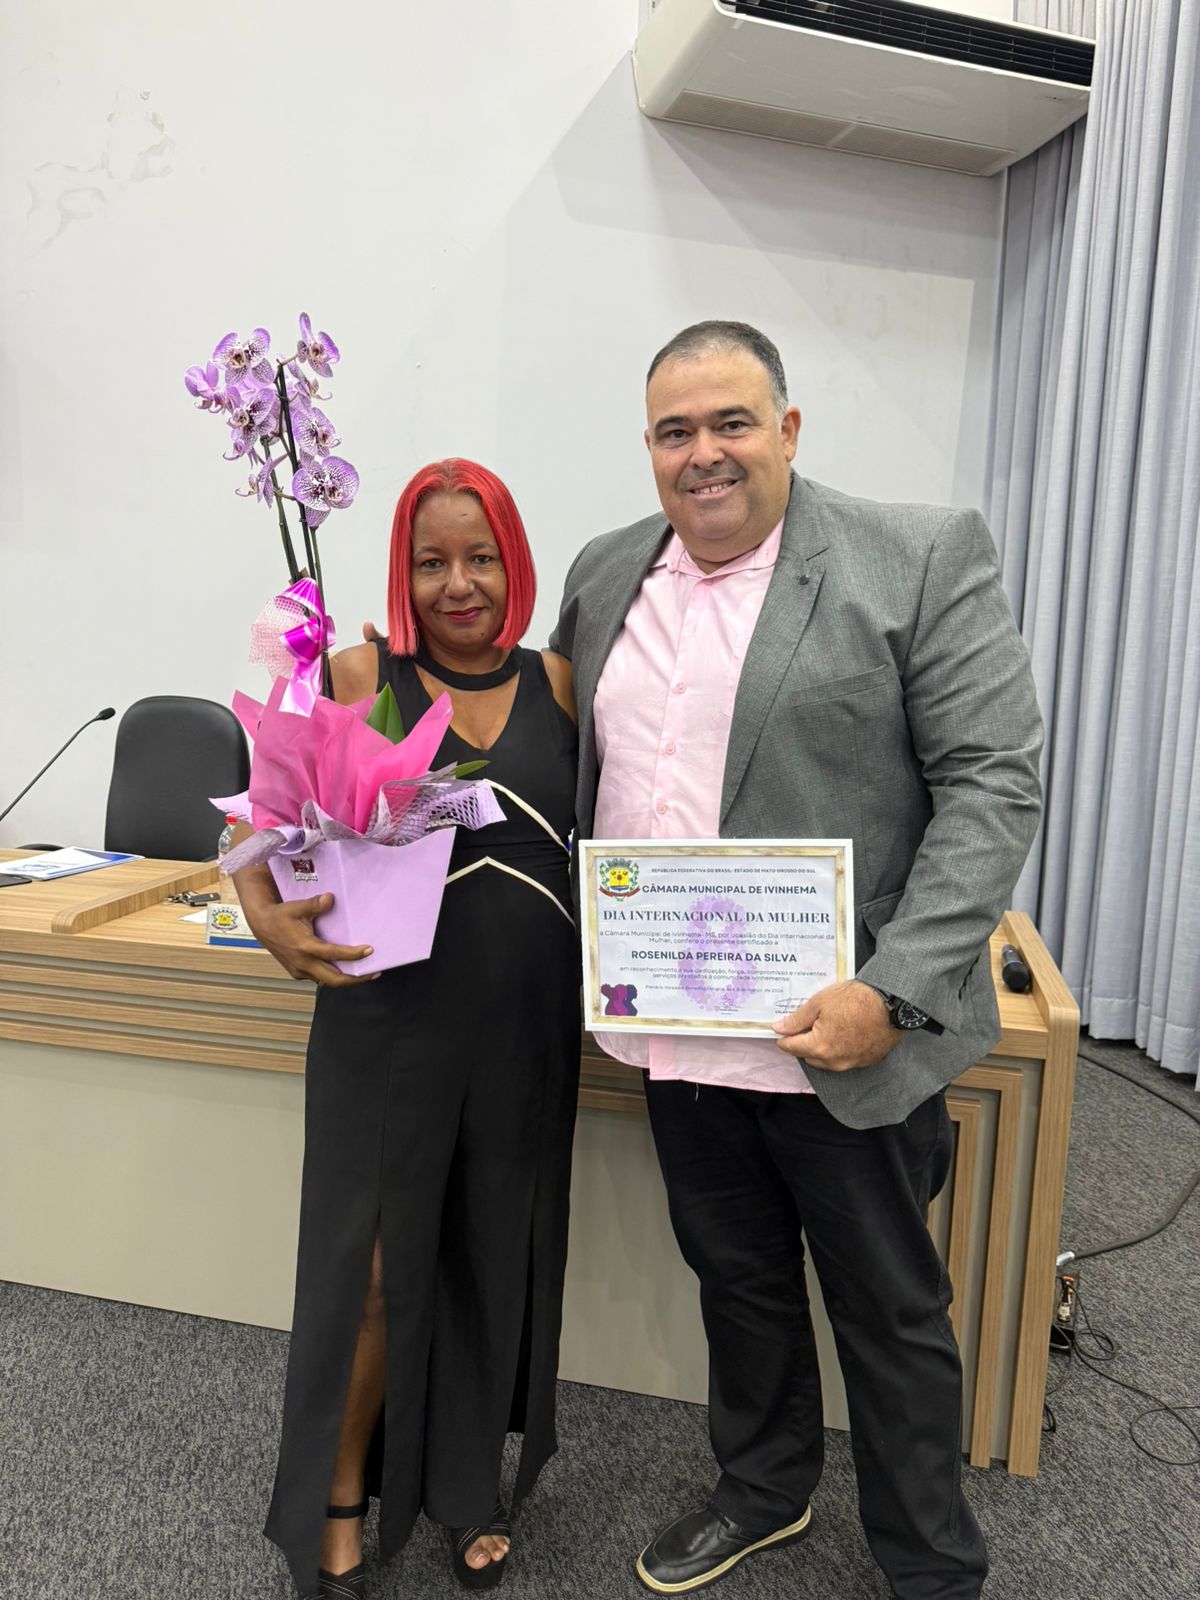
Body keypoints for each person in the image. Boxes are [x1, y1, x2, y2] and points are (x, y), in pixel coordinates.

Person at [549, 322, 1043, 1600]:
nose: (704, 453)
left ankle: (930, 1563)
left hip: (847, 1030)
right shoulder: (605, 572)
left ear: (788, 428)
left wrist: (895, 989)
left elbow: (993, 785)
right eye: (675, 431)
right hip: (678, 1024)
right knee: (738, 1278)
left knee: (888, 1306)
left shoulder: (915, 556)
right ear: (649, 446)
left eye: (731, 422)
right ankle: (764, 1488)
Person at [234, 459, 580, 1598]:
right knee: (372, 1275)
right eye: (432, 561)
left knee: (490, 1252)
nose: (458, 583)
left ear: (514, 563)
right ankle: (339, 1495)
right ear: (403, 569)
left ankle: (468, 1485)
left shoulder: (560, 682)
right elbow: (255, 821)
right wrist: (264, 916)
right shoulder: (355, 672)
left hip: (522, 1025)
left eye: (481, 557)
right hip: (386, 1020)